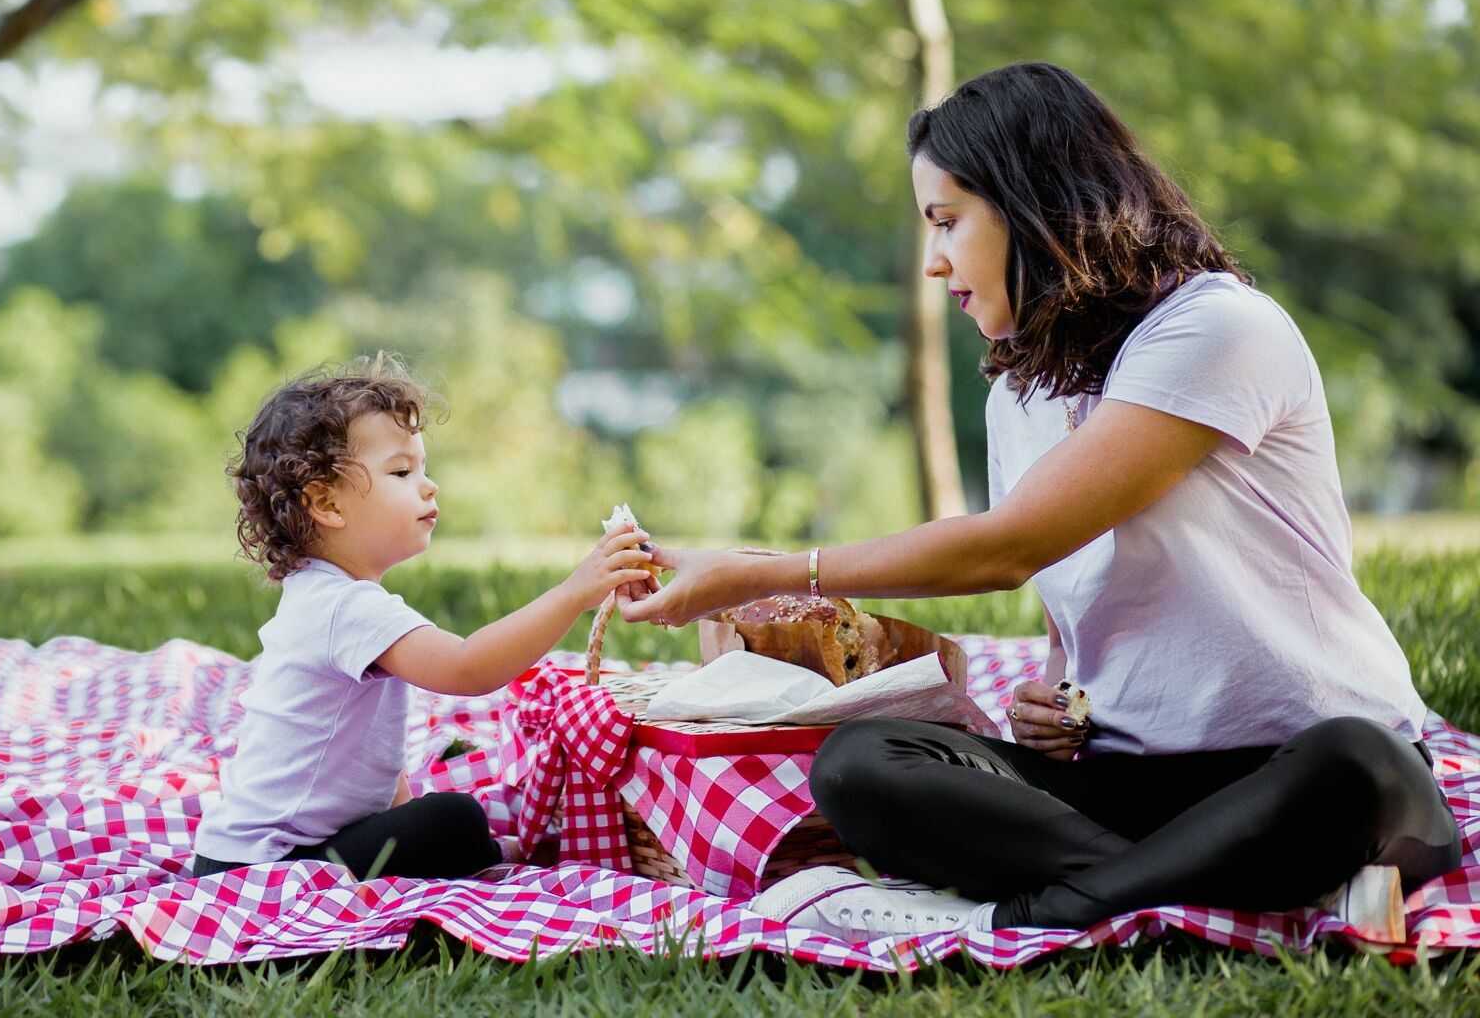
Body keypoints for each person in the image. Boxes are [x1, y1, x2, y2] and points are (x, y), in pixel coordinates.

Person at [618, 62, 1461, 939]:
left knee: (1356, 764)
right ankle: (1225, 884)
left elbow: (1011, 546)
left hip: (1302, 760)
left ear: (1036, 203)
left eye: (947, 222)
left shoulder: (1217, 329)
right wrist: (1059, 693)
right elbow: (1074, 595)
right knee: (865, 764)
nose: (934, 260)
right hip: (1136, 786)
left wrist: (755, 572)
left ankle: (1039, 908)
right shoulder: (1018, 393)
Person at [192, 354, 656, 881]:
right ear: (326, 503)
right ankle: (488, 856)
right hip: (264, 869)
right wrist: (576, 592)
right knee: (453, 818)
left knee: (435, 817)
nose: (429, 486)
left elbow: (371, 758)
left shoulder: (326, 595)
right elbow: (466, 670)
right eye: (401, 471)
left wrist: (403, 815)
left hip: (245, 856)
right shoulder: (347, 607)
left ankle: (471, 849)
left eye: (423, 468)